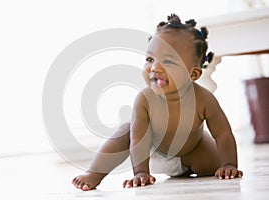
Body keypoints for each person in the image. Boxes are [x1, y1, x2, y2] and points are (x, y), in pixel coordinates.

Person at [72, 14, 243, 191]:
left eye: (167, 61)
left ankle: (195, 170)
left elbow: (223, 133)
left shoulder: (204, 99)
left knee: (215, 162)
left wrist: (229, 164)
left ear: (193, 75)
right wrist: (140, 173)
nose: (155, 68)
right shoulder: (145, 99)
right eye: (150, 59)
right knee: (126, 130)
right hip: (151, 153)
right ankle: (94, 173)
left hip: (191, 153)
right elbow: (138, 140)